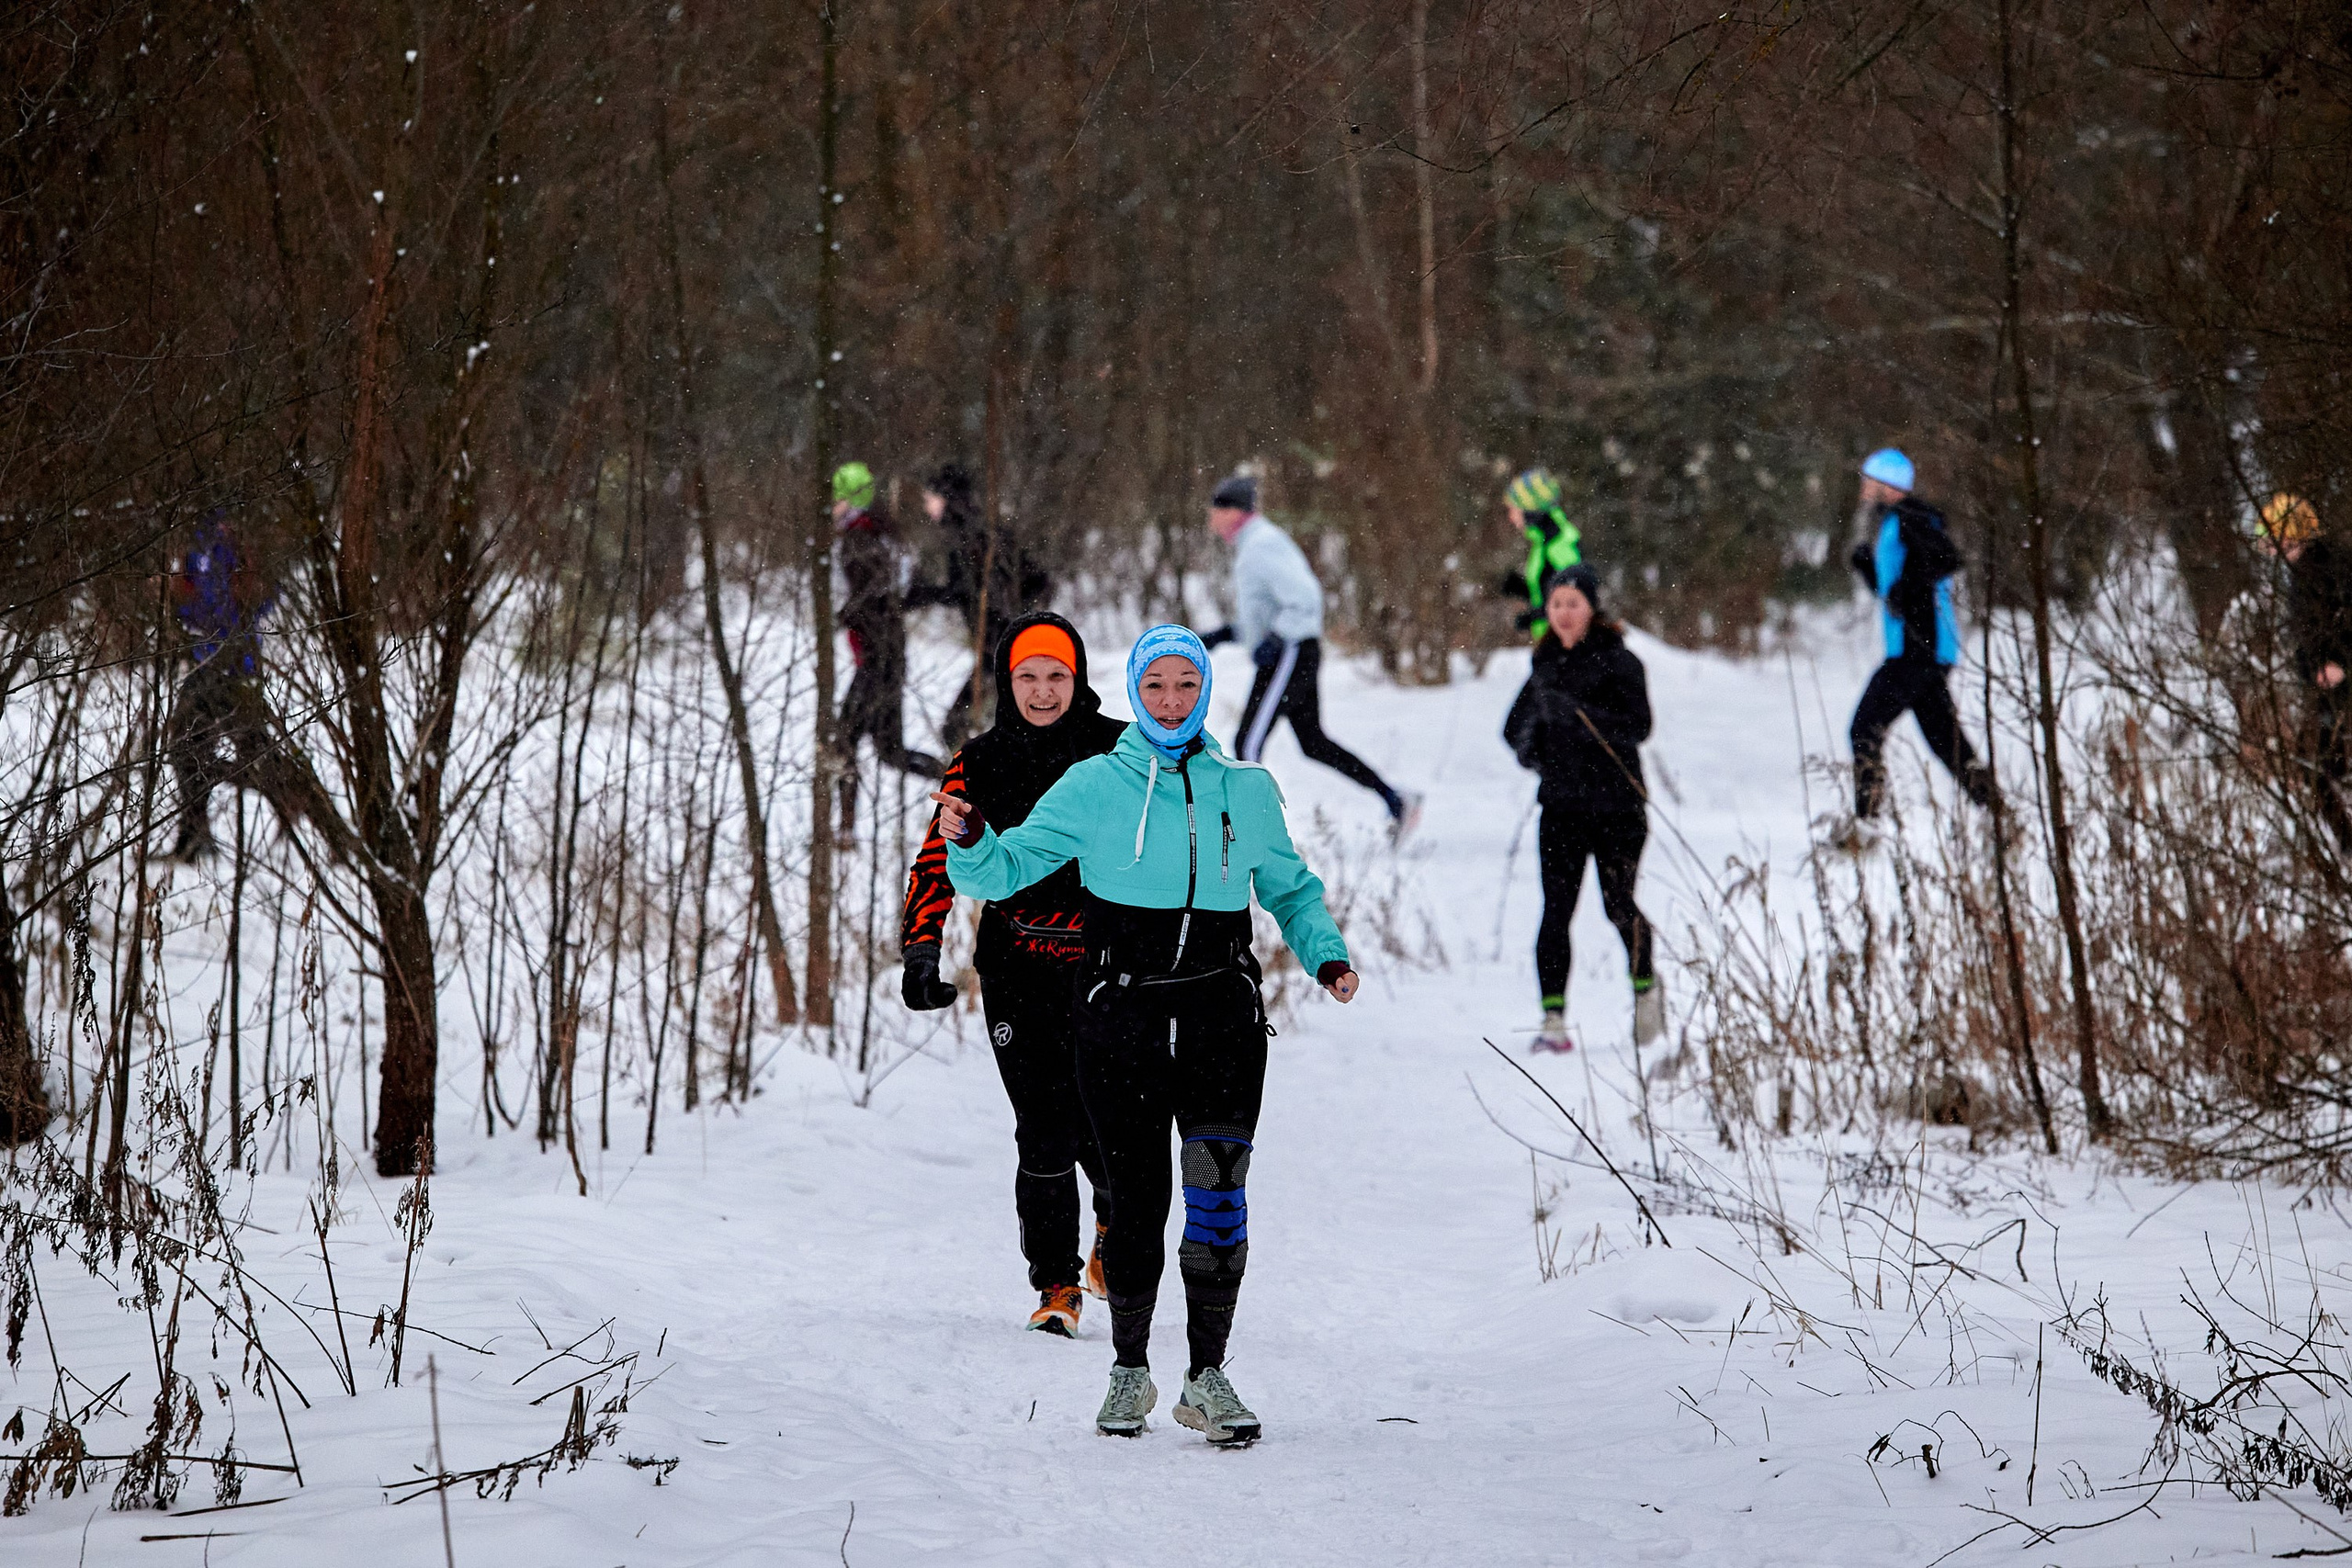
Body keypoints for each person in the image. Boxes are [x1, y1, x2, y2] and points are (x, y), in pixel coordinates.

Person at [932, 624, 1359, 1448]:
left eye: (1186, 687)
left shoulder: (1246, 788)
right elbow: (1006, 869)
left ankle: (1208, 1374)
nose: (1171, 701)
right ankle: (1130, 1367)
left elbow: (1292, 889)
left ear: (1204, 692)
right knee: (1136, 1202)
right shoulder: (1094, 786)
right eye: (1156, 687)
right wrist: (971, 841)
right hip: (1119, 1021)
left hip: (1220, 1023)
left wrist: (1326, 954)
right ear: (1135, 692)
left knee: (1217, 1191)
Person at [899, 612, 1125, 1336]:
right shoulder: (979, 760)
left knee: (1110, 1126)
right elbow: (938, 856)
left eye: (1057, 675)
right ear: (1007, 681)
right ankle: (1056, 1283)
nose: (1042, 690)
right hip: (1017, 965)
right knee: (1045, 1128)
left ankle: (1113, 1231)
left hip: (1108, 966)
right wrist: (920, 948)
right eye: (1027, 676)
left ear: (1078, 677)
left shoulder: (1120, 749)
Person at [1198, 473, 1419, 839]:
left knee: (1248, 742)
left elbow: (1305, 598)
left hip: (1291, 652)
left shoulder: (1261, 545)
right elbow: (1267, 612)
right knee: (1313, 742)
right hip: (1291, 651)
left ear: (1233, 512)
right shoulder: (1253, 545)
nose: (1211, 521)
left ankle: (1248, 835)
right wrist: (1227, 634)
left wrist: (1278, 638)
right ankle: (1396, 799)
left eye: (1215, 511)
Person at [1503, 566, 1662, 1052]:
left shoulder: (1621, 661)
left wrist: (1579, 718)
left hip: (1618, 809)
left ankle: (1647, 993)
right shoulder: (1544, 662)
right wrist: (1541, 756)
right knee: (1556, 912)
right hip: (1562, 808)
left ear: (1592, 608)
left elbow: (1640, 727)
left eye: (1574, 603)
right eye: (1556, 605)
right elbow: (1513, 729)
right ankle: (1553, 1022)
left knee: (1618, 906)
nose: (1564, 614)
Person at [164, 511, 349, 864]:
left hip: (237, 669)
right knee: (188, 750)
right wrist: (177, 596)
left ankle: (329, 828)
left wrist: (245, 588)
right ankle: (194, 838)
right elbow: (189, 608)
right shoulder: (193, 543)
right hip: (205, 666)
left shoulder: (239, 538)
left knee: (257, 757)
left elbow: (267, 595)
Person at [1844, 447, 1997, 826]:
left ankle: (1867, 826)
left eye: (1869, 480)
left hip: (1918, 650)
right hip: (1922, 649)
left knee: (1865, 727)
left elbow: (1947, 559)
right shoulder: (1895, 523)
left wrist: (1905, 589)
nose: (1863, 487)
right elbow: (1895, 589)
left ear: (1886, 485)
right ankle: (1999, 815)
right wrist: (1868, 567)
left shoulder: (1912, 517)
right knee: (1948, 743)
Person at [908, 461, 1054, 750]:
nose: (927, 506)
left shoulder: (971, 536)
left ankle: (972, 789)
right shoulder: (981, 529)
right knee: (997, 729)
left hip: (1000, 653)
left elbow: (963, 590)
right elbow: (1035, 580)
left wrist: (1010, 622)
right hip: (1003, 649)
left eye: (930, 498)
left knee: (959, 729)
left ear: (946, 497)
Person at [831, 462, 944, 803]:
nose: (832, 507)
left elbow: (873, 597)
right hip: (889, 655)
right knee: (890, 751)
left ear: (850, 500)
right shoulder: (885, 533)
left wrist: (844, 615)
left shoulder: (859, 538)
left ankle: (844, 831)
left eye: (836, 498)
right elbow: (900, 591)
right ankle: (953, 775)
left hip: (876, 659)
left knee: (844, 742)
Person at [2257, 491, 2352, 851]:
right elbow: (2306, 639)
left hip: (2342, 689)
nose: (2270, 548)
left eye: (2275, 538)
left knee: (2317, 764)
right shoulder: (2301, 574)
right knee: (2318, 765)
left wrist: (2342, 665)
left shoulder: (2331, 566)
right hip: (2328, 694)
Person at [1499, 467, 1584, 642]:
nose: (1511, 517)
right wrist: (1522, 589)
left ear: (1530, 508)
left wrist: (1534, 616)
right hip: (1552, 644)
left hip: (1564, 648)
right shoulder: (1544, 543)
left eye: (1513, 509)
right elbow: (1551, 590)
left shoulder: (1559, 545)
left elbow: (1573, 602)